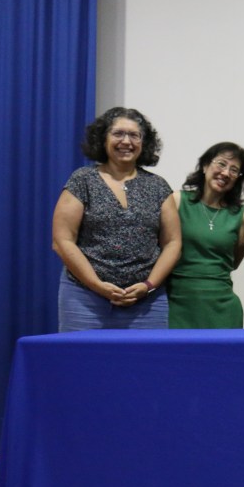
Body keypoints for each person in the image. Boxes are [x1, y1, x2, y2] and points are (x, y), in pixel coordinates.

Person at [52, 107, 181, 331]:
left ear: (144, 142)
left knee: (148, 356)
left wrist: (148, 285)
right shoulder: (82, 180)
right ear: (103, 139)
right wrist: (96, 285)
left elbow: (173, 242)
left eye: (134, 135)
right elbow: (62, 240)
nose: (126, 141)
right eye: (118, 134)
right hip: (84, 300)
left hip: (146, 304)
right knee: (81, 355)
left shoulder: (159, 186)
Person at [168, 142, 244, 329]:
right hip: (177, 302)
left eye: (234, 170)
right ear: (205, 166)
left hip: (223, 307)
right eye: (221, 164)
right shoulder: (177, 200)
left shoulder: (241, 217)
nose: (226, 173)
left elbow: (233, 262)